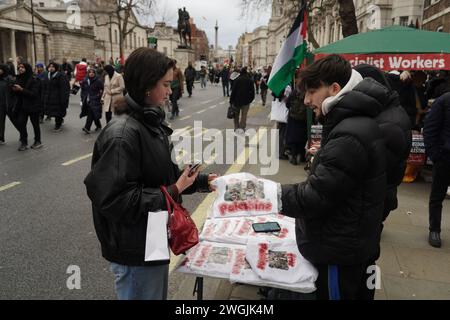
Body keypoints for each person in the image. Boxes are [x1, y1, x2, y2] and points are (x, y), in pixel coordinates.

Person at [84, 48, 217, 300]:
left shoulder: (149, 123)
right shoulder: (123, 134)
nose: (170, 91)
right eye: (165, 84)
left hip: (152, 240)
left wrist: (201, 181)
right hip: (135, 250)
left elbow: (164, 178)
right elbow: (115, 200)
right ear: (146, 85)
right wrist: (173, 191)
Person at [280, 55, 388, 300]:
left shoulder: (349, 133)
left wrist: (266, 195)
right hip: (350, 244)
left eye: (311, 91)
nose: (307, 100)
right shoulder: (355, 124)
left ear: (335, 89)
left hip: (339, 252)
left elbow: (315, 196)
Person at [423, 92, 450, 248]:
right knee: (437, 196)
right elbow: (430, 128)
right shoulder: (444, 101)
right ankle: (434, 229)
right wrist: (435, 155)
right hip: (445, 158)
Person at [11, 63, 43, 151]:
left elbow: (34, 94)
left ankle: (38, 141)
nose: (20, 69)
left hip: (33, 106)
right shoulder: (18, 78)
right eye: (19, 67)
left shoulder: (34, 79)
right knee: (21, 124)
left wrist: (21, 89)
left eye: (22, 67)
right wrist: (13, 90)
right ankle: (24, 142)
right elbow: (15, 93)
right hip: (21, 106)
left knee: (35, 124)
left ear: (27, 68)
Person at [42, 62, 70, 132]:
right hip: (49, 97)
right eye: (50, 67)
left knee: (58, 112)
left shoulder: (60, 76)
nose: (51, 68)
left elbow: (64, 88)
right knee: (53, 111)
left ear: (56, 68)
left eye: (53, 67)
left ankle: (58, 125)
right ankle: (60, 121)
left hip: (58, 97)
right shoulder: (47, 75)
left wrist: (63, 99)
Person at [229, 67, 255, 133]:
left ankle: (236, 127)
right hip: (246, 102)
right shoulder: (250, 80)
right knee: (244, 115)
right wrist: (250, 100)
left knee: (236, 115)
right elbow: (252, 92)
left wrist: (231, 101)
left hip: (237, 101)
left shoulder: (237, 80)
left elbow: (233, 91)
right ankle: (242, 128)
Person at [80, 68, 104, 133]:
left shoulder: (98, 81)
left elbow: (102, 90)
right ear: (88, 73)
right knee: (94, 113)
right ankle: (98, 126)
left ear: (94, 73)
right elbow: (83, 90)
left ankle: (87, 127)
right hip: (87, 100)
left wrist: (98, 96)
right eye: (90, 72)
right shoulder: (85, 80)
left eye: (92, 72)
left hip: (95, 100)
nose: (91, 73)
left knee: (90, 113)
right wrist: (82, 98)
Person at [0, 64, 15, 145]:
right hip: (1, 105)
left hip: (9, 104)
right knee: (0, 122)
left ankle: (23, 134)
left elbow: (14, 91)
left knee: (15, 120)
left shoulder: (9, 79)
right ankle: (1, 138)